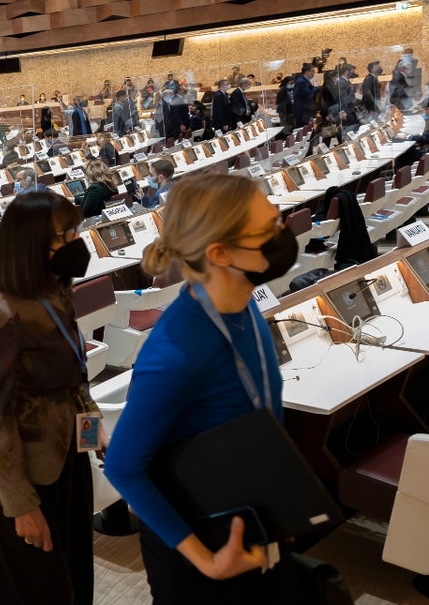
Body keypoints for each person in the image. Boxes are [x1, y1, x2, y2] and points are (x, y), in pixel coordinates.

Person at [104, 174, 300, 603]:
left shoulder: (242, 306)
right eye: (268, 230)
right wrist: (206, 561)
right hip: (200, 548)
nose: (283, 234)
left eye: (278, 221)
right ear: (220, 253)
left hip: (247, 513)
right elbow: (121, 466)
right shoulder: (175, 350)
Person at [0, 191, 98, 604]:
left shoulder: (55, 291)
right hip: (20, 472)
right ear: (31, 245)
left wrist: (94, 438)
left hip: (66, 457)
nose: (76, 241)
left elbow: (75, 377)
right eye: (66, 234)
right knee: (37, 592)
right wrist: (21, 505)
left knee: (75, 580)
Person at [292, 63, 319, 127]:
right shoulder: (301, 82)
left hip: (305, 111)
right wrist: (316, 87)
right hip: (303, 112)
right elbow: (309, 93)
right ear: (307, 72)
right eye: (312, 71)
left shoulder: (304, 81)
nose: (314, 73)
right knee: (303, 130)